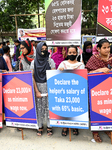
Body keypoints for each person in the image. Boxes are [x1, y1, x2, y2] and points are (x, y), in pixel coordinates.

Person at [86, 38, 112, 143]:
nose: (107, 49)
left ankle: (108, 129)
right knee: (96, 109)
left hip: (109, 91)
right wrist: (99, 70)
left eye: (108, 47)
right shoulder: (94, 59)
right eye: (104, 47)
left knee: (108, 109)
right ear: (99, 49)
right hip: (97, 90)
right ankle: (95, 132)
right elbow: (87, 73)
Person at [58, 45, 85, 136]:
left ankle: (75, 126)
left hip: (76, 92)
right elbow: (56, 78)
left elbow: (83, 79)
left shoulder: (81, 65)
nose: (72, 54)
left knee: (75, 109)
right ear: (67, 53)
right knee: (65, 109)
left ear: (77, 53)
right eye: (70, 52)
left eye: (74, 52)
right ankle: (65, 126)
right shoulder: (63, 64)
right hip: (64, 92)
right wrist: (60, 71)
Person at [33, 42, 55, 136]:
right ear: (38, 50)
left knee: (49, 106)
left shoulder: (50, 61)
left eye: (45, 49)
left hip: (48, 85)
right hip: (37, 86)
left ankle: (50, 126)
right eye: (42, 49)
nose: (44, 51)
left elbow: (53, 75)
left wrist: (51, 89)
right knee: (39, 107)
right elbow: (32, 76)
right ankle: (40, 125)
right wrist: (37, 91)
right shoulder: (33, 62)